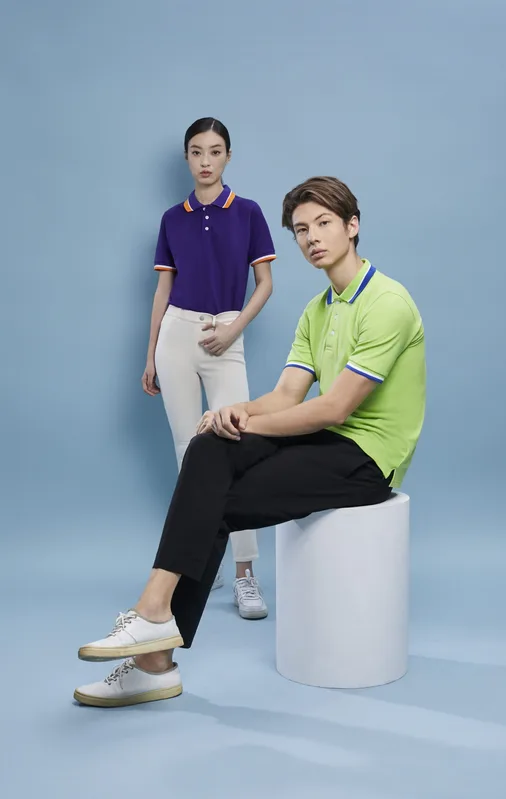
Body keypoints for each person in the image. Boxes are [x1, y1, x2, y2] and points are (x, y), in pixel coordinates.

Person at [74, 176, 426, 708]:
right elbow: (286, 395)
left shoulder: (388, 302)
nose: (312, 238)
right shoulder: (317, 310)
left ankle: (153, 654)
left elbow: (334, 409)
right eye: (301, 230)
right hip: (328, 440)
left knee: (214, 496)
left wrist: (247, 424)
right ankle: (153, 621)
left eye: (324, 223)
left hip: (371, 458)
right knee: (209, 448)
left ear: (352, 226)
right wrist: (234, 413)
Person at [142, 117, 276, 619]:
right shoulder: (171, 219)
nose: (205, 160)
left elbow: (264, 284)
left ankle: (245, 573)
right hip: (176, 336)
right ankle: (197, 560)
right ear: (187, 158)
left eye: (215, 151)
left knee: (234, 449)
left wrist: (233, 330)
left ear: (228, 157)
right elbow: (163, 290)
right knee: (187, 452)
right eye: (196, 151)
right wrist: (150, 353)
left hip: (225, 336)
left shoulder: (247, 212)